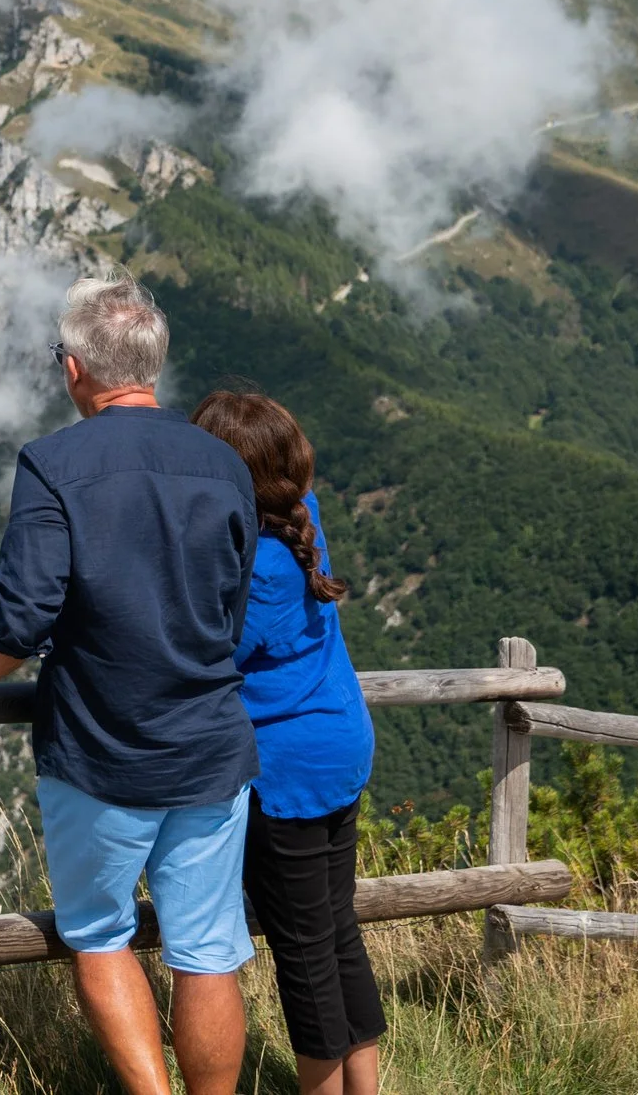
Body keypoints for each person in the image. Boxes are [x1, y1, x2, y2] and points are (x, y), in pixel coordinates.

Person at [0, 278, 261, 1095]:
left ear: (73, 367)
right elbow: (232, 604)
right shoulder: (223, 463)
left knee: (101, 936)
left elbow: (21, 617)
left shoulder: (55, 463)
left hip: (101, 750)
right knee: (209, 950)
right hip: (212, 743)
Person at [191, 389, 383, 1095]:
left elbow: (205, 650)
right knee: (339, 933)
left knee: (304, 955)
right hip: (341, 742)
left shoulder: (254, 567)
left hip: (288, 772)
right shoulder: (305, 521)